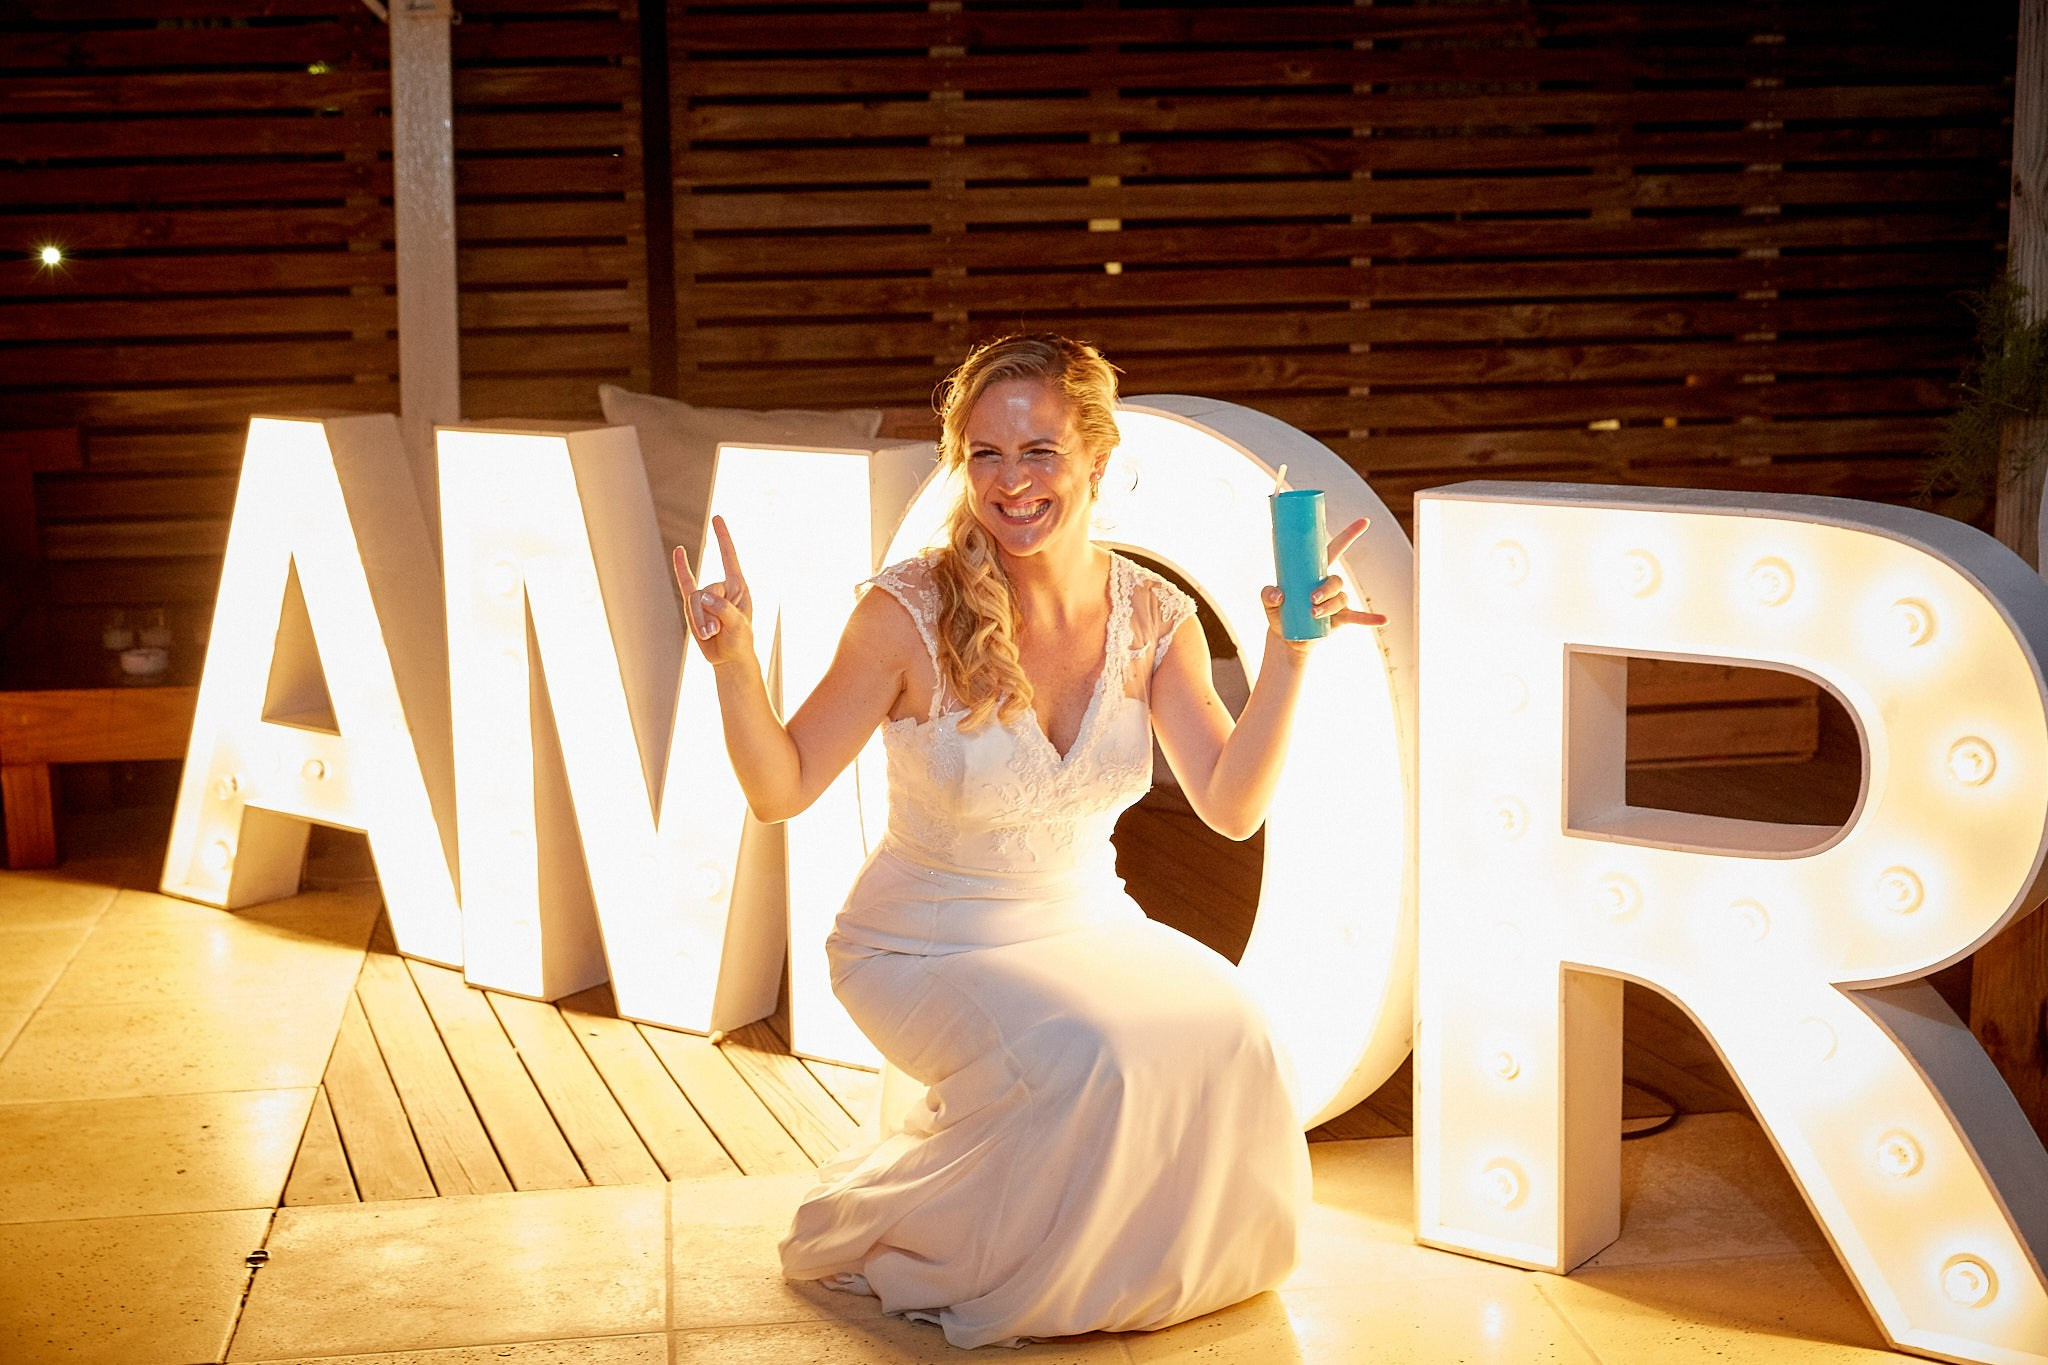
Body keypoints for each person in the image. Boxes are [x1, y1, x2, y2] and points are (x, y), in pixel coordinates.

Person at [670, 333, 1381, 1349]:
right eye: (985, 454)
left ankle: (1168, 1278)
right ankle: (998, 1261)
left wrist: (1288, 652)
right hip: (921, 943)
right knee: (1094, 1059)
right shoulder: (904, 610)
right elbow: (780, 790)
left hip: (1086, 922)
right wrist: (733, 661)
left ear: (1097, 459)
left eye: (1038, 451)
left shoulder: (1152, 615)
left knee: (1238, 1027)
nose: (1011, 482)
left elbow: (1231, 806)